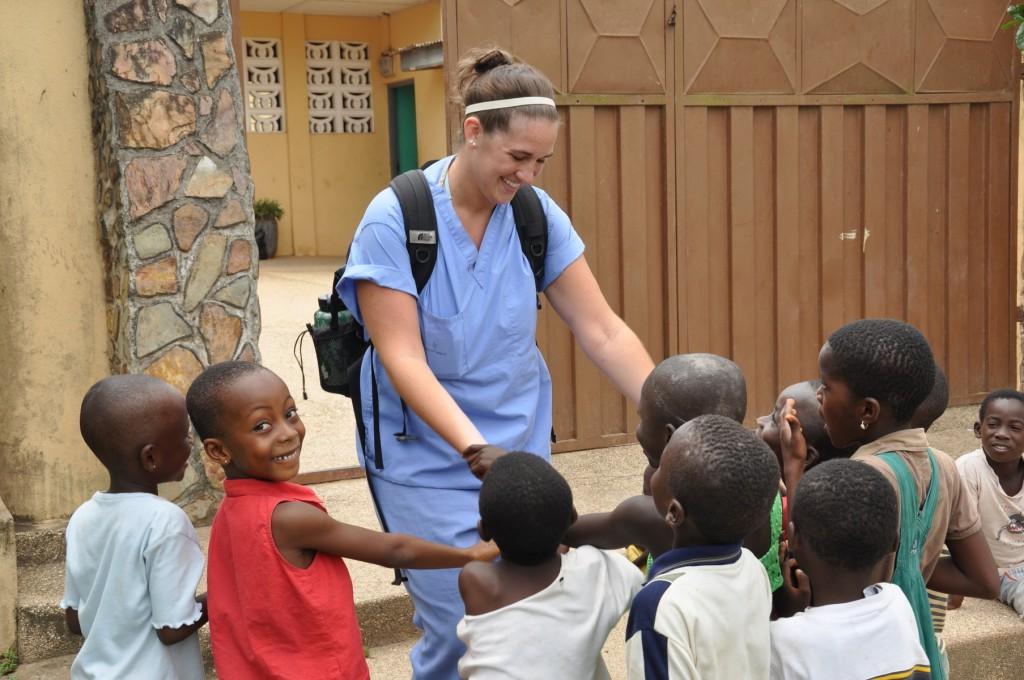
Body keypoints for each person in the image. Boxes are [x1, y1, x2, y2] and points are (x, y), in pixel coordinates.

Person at [337, 46, 654, 677]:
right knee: (460, 624)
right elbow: (401, 356)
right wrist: (475, 450)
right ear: (473, 131)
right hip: (425, 456)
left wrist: (675, 417)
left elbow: (602, 329)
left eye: (542, 161)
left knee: (532, 607)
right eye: (518, 159)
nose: (530, 176)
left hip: (519, 450)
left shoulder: (533, 215)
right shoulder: (397, 218)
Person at [186, 362, 498, 680]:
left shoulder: (232, 510)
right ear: (218, 451)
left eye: (290, 413)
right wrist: (469, 554)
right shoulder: (289, 517)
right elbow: (394, 550)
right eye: (262, 426)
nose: (288, 433)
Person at [810, 318, 999, 678]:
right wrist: (914, 565)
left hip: (859, 659)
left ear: (867, 411)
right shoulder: (943, 465)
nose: (818, 396)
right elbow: (984, 581)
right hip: (910, 652)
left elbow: (816, 582)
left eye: (825, 386)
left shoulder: (857, 481)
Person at [564, 355, 777, 581]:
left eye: (642, 418)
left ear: (670, 436)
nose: (638, 429)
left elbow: (570, 533)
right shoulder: (765, 486)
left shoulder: (649, 516)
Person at [61, 375, 207, 680]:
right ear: (151, 457)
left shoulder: (82, 517)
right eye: (183, 435)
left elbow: (74, 620)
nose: (190, 442)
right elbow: (172, 627)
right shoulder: (165, 521)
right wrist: (226, 593)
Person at [456, 453, 642, 679]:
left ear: (484, 531)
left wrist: (508, 469)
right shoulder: (598, 570)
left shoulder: (477, 581)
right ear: (573, 516)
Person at [626, 415, 779, 680]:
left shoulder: (658, 604)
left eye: (662, 466)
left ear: (674, 512)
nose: (655, 470)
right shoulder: (752, 567)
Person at [769, 460, 930, 680]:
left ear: (794, 538)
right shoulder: (896, 603)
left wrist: (792, 615)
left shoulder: (781, 640)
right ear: (894, 543)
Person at [956, 388, 1024, 617]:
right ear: (978, 429)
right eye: (993, 424)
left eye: (1015, 428)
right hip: (999, 572)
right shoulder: (968, 470)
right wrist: (959, 585)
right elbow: (957, 531)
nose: (1002, 434)